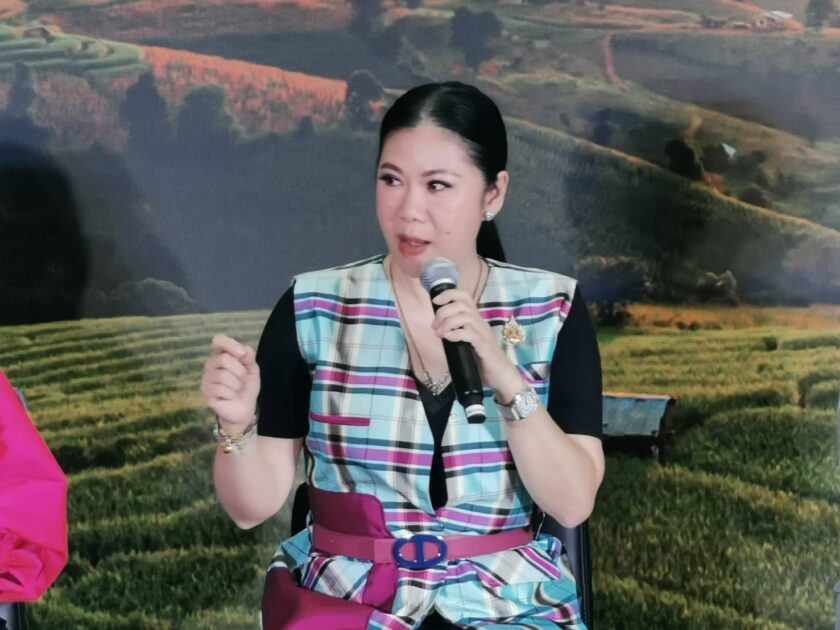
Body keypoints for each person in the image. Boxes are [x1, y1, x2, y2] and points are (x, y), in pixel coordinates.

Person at [201, 81, 604, 629]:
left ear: (493, 194)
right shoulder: (314, 306)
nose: (409, 210)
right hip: (350, 602)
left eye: (438, 185)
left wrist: (505, 378)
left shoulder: (552, 308)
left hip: (507, 605)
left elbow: (573, 504)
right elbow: (251, 508)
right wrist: (236, 425)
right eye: (391, 180)